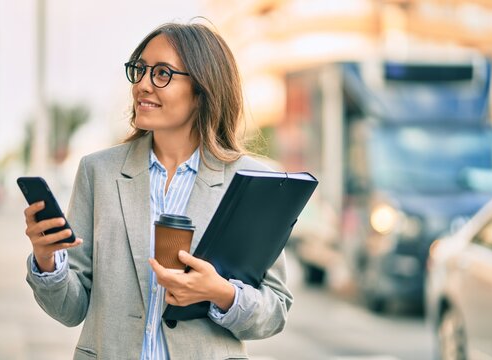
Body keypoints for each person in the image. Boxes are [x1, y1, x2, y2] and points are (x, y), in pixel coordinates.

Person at [23, 22, 292, 360]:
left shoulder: (252, 180)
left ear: (201, 90)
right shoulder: (99, 171)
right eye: (139, 70)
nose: (143, 85)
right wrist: (48, 261)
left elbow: (276, 309)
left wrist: (221, 293)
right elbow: (70, 309)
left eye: (162, 73)